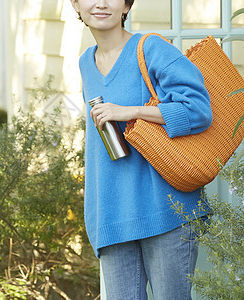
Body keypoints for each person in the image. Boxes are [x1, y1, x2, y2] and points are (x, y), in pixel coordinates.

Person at [69, 0, 213, 299]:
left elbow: (198, 111)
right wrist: (95, 218)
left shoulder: (151, 49)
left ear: (126, 6)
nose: (100, 3)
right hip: (112, 217)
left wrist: (130, 111)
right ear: (75, 4)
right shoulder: (85, 62)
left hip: (165, 211)